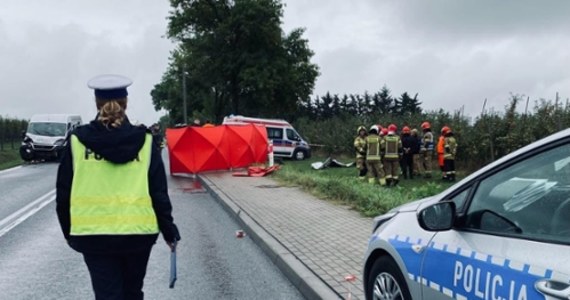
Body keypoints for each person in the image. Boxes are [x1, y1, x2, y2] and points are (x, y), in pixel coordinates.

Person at [55, 74, 181, 300]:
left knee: (107, 295)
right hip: (137, 236)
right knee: (133, 293)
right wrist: (169, 230)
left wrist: (68, 231)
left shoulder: (76, 140)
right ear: (126, 103)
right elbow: (158, 192)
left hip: (94, 236)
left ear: (97, 103)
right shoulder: (145, 140)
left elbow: (63, 192)